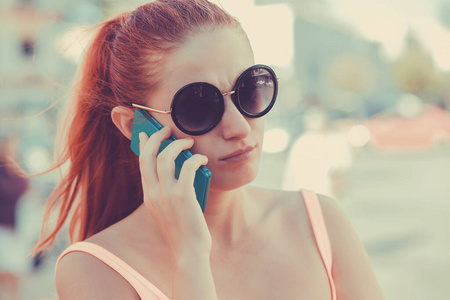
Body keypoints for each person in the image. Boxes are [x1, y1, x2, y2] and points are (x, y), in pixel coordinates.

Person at [31, 0, 385, 299]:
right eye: (199, 106)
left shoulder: (319, 220)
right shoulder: (93, 269)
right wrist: (189, 256)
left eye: (249, 89)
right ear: (134, 126)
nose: (239, 127)